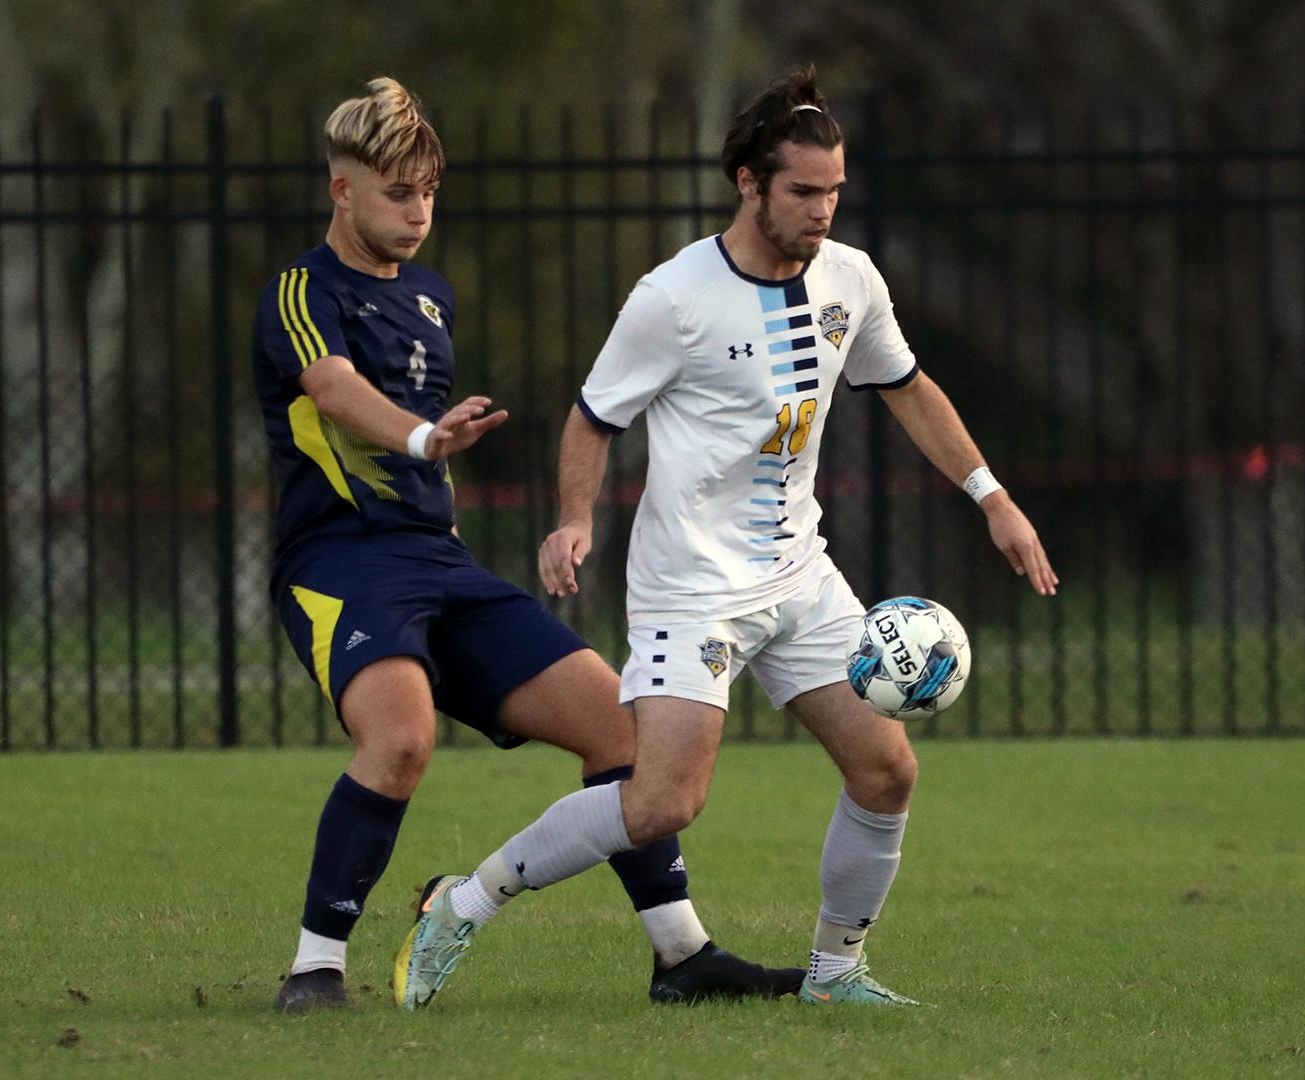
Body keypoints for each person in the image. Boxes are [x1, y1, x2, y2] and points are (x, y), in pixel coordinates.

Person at [395, 66, 1057, 1009]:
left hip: (799, 572)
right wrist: (574, 519)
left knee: (885, 767)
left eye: (833, 190)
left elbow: (908, 387)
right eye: (803, 191)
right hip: (691, 588)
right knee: (665, 801)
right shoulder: (674, 297)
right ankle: (464, 901)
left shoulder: (851, 280)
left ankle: (835, 974)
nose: (822, 209)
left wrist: (992, 496)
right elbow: (591, 420)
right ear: (750, 184)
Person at [252, 76, 802, 1014]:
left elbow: (422, 438)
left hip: (440, 562)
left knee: (621, 732)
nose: (418, 210)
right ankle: (314, 967)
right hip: (342, 563)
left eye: (428, 191)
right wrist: (425, 438)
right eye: (397, 193)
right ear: (341, 189)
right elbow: (335, 390)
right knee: (400, 741)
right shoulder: (302, 290)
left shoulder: (431, 297)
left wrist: (441, 483)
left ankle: (681, 954)